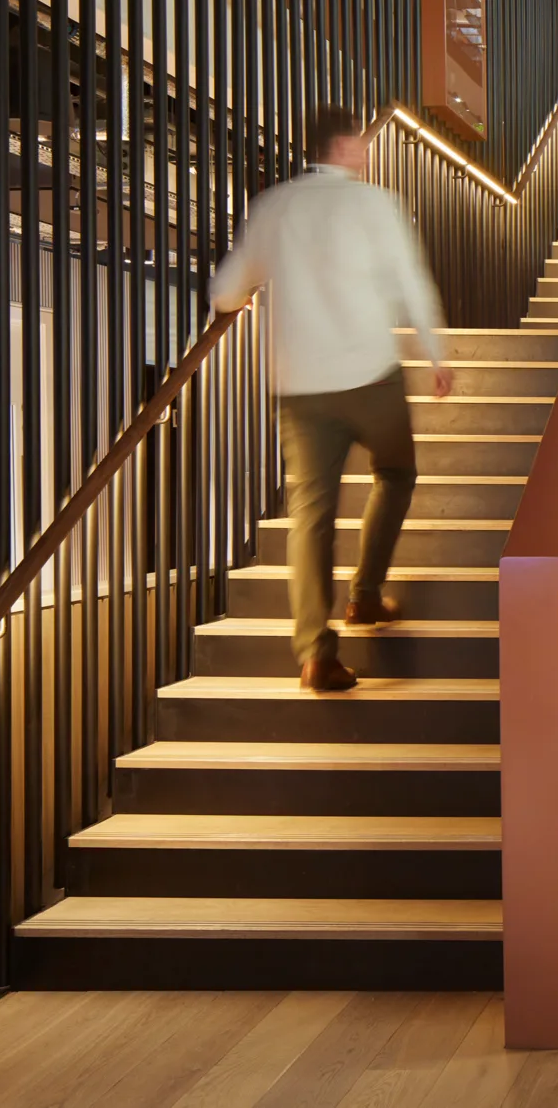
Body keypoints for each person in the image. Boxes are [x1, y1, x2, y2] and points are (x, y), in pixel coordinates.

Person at [211, 105, 451, 692]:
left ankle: (316, 652)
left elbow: (224, 290)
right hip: (372, 376)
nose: (366, 153)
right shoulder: (375, 205)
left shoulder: (274, 206)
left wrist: (240, 301)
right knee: (395, 472)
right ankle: (365, 594)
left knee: (310, 517)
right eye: (361, 144)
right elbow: (410, 280)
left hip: (300, 389)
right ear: (344, 147)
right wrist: (435, 352)